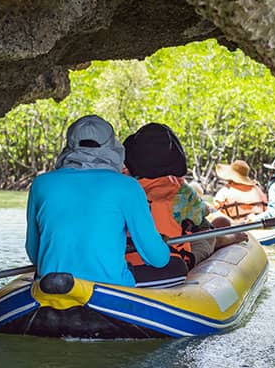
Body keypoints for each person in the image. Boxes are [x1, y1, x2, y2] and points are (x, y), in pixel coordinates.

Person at [25, 115, 171, 287]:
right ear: (112, 147)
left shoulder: (41, 184)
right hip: (110, 289)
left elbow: (34, 253)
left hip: (49, 286)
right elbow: (158, 259)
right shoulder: (128, 187)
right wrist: (162, 245)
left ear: (69, 145)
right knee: (176, 266)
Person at [123, 123, 245, 276]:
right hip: (173, 263)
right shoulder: (180, 190)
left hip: (129, 261)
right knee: (209, 233)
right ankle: (225, 239)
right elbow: (202, 214)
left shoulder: (124, 187)